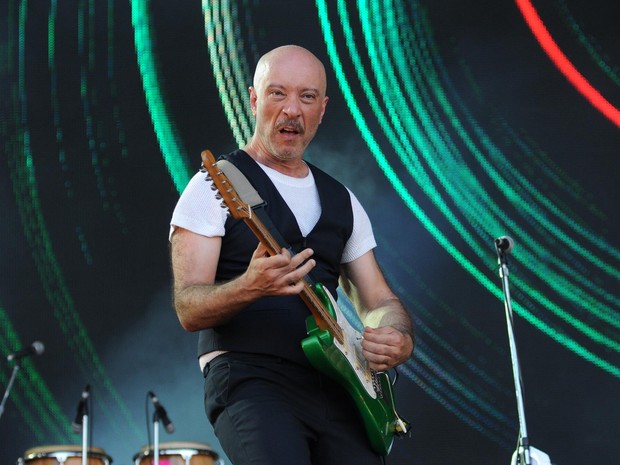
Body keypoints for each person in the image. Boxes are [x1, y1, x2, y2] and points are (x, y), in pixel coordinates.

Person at [169, 45, 414, 465]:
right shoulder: (214, 185)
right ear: (253, 99)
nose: (291, 110)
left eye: (306, 96)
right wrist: (249, 287)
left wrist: (397, 337)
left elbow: (379, 302)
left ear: (323, 108)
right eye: (278, 93)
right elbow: (188, 308)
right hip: (252, 379)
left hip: (338, 386)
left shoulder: (343, 200)